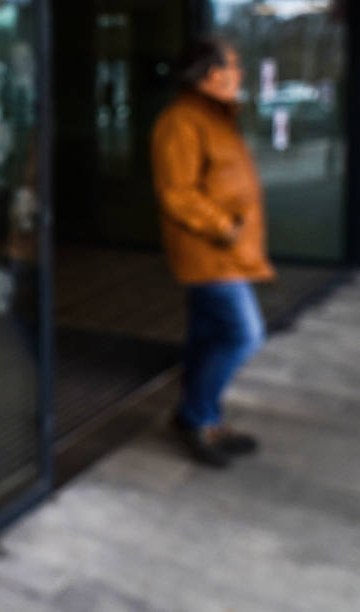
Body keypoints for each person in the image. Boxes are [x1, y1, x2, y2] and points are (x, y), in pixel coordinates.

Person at [151, 38, 275, 467]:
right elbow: (178, 194)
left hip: (227, 251)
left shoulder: (216, 118)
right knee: (244, 335)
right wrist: (224, 228)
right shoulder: (181, 122)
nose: (240, 73)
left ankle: (207, 418)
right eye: (235, 66)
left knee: (208, 337)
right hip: (210, 252)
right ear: (210, 74)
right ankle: (194, 417)